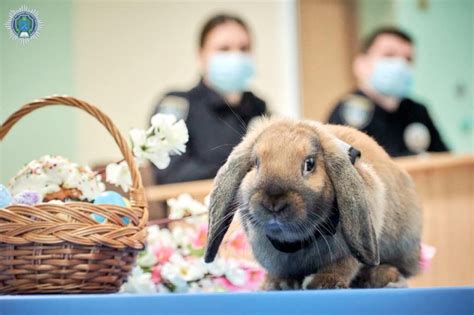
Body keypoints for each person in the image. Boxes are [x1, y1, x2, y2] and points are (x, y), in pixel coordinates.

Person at [151, 14, 267, 184]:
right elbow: (170, 171)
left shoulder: (258, 106)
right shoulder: (177, 106)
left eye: (244, 49)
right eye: (224, 49)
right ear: (201, 56)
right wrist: (234, 173)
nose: (235, 57)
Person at [328, 27, 448, 157]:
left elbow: (446, 161)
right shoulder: (347, 113)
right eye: (389, 55)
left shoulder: (418, 111)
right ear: (361, 64)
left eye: (408, 59)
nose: (401, 65)